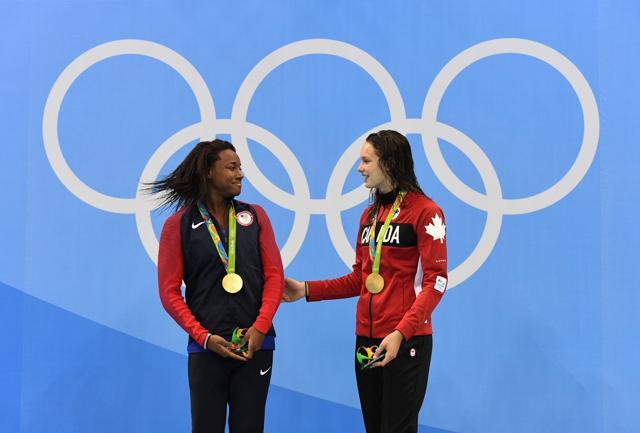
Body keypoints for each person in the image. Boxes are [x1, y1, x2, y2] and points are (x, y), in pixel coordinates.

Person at [284, 130, 448, 433]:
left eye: (366, 160)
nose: (360, 168)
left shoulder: (426, 212)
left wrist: (401, 332)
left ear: (388, 163)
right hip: (367, 341)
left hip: (406, 339)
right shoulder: (369, 216)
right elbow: (360, 279)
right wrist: (305, 290)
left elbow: (436, 282)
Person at [151, 139, 284, 433]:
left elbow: (275, 277)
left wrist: (260, 328)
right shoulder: (178, 225)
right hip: (207, 349)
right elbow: (169, 292)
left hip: (255, 346)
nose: (240, 174)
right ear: (209, 172)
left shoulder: (256, 216)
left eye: (240, 168)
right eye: (232, 167)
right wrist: (204, 337)